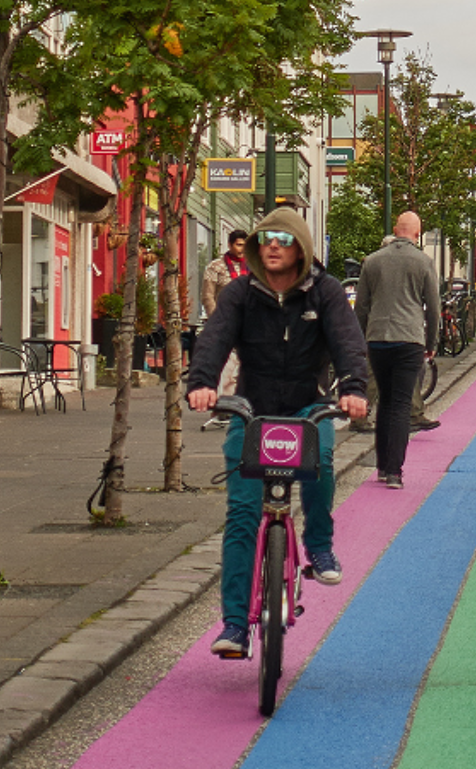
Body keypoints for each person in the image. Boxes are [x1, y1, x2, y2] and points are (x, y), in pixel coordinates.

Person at [187, 208, 369, 657]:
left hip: (309, 405)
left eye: (282, 239)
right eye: (265, 237)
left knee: (323, 462)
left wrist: (353, 389)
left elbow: (348, 342)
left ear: (301, 249)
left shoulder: (324, 293)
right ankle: (233, 625)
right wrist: (202, 383)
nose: (272, 245)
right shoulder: (240, 294)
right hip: (252, 409)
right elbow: (215, 337)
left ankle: (319, 547)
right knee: (243, 516)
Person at [355, 212, 440, 490]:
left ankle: (381, 465)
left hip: (378, 338)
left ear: (395, 229)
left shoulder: (372, 261)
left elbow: (362, 305)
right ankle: (394, 471)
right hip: (410, 339)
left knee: (384, 401)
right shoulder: (424, 262)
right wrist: (431, 343)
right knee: (401, 404)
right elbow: (433, 308)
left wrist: (361, 338)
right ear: (418, 232)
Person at [198, 229, 253, 429]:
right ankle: (223, 408)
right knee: (226, 369)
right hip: (225, 325)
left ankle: (236, 407)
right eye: (239, 245)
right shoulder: (216, 267)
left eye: (245, 245)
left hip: (248, 327)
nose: (242, 249)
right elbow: (207, 296)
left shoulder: (254, 267)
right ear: (230, 245)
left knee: (242, 368)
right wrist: (218, 321)